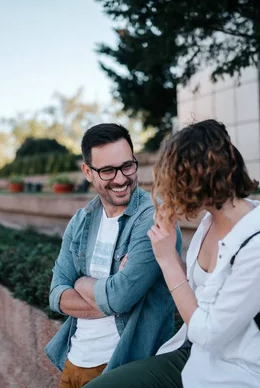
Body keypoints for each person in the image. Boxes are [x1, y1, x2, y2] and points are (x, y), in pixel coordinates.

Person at [86, 119, 260, 388]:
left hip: (239, 373)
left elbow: (208, 333)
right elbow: (197, 295)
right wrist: (162, 253)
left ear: (196, 179)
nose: (169, 193)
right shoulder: (211, 223)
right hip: (193, 355)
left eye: (174, 182)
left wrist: (167, 259)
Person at [45, 123, 183, 388]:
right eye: (107, 170)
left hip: (122, 367)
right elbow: (55, 294)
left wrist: (81, 282)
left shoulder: (154, 218)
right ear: (88, 171)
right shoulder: (82, 220)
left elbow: (121, 297)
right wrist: (110, 293)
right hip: (73, 363)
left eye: (127, 166)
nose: (121, 179)